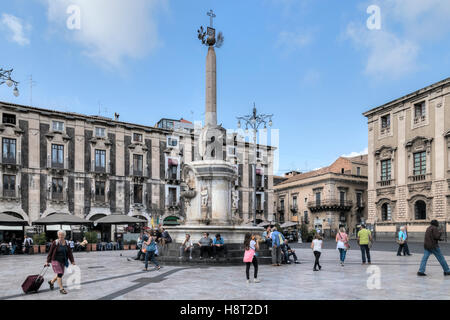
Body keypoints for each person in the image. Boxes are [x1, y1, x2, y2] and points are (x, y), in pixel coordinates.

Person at [45, 230, 75, 294]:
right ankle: (61, 289)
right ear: (58, 235)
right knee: (60, 273)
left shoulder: (67, 243)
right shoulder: (55, 242)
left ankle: (51, 282)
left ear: (64, 235)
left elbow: (69, 253)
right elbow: (50, 252)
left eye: (62, 235)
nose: (61, 236)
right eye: (60, 235)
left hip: (63, 260)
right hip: (55, 260)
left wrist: (72, 261)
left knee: (60, 274)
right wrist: (47, 261)